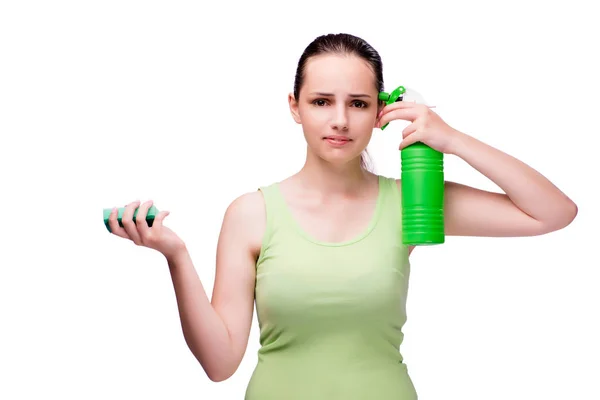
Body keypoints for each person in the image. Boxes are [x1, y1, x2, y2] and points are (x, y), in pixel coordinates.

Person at [106, 33, 578, 399]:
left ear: (379, 113)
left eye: (357, 104)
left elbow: (553, 213)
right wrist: (175, 254)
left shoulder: (410, 203)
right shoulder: (251, 213)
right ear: (295, 107)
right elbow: (220, 362)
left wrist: (452, 140)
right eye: (321, 101)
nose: (340, 120)